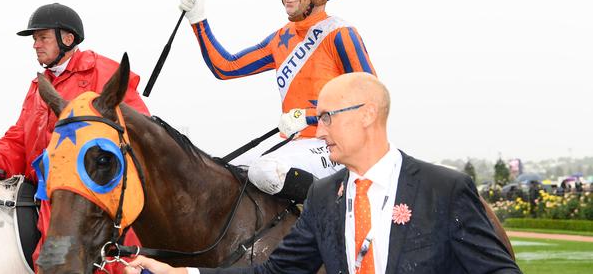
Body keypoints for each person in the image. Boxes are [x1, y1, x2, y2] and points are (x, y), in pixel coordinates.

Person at [123, 72, 521, 274]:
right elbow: (273, 273)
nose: (321, 129)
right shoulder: (323, 198)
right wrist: (183, 272)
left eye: (328, 117)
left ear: (368, 115)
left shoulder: (445, 190)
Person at [179, 0, 376, 202]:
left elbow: (371, 101)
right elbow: (225, 67)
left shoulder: (341, 34)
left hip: (336, 147)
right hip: (292, 145)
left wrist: (308, 117)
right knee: (220, 172)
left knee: (264, 171)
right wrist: (198, 20)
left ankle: (333, 212)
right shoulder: (281, 38)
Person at [0, 3, 149, 273]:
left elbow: (140, 130)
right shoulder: (39, 86)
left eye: (42, 37)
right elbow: (19, 136)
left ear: (67, 39)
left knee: (58, 261)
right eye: (34, 39)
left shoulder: (103, 71)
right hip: (44, 190)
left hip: (90, 195)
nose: (35, 45)